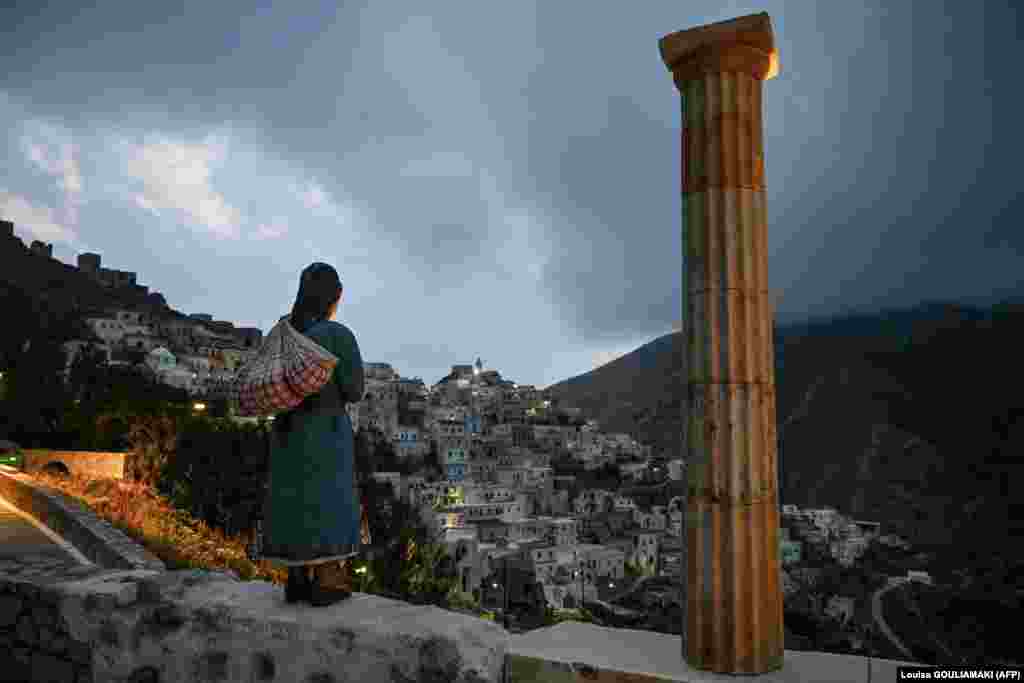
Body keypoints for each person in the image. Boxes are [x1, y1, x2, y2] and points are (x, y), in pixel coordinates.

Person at [261, 262, 365, 606]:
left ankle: (296, 578)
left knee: (294, 496)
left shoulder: (285, 335)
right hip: (325, 431)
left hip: (286, 431)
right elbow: (354, 389)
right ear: (335, 297)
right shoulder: (337, 336)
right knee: (328, 498)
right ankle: (327, 581)